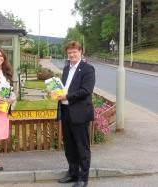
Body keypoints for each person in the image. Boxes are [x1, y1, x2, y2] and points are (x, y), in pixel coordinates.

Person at [56, 41, 95, 187]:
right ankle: (73, 173)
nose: (72, 55)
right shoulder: (66, 69)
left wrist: (66, 96)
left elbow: (86, 90)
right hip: (66, 112)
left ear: (80, 52)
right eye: (69, 53)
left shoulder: (88, 69)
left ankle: (83, 179)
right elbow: (63, 88)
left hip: (79, 113)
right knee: (69, 146)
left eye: (74, 52)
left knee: (82, 147)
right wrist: (56, 93)